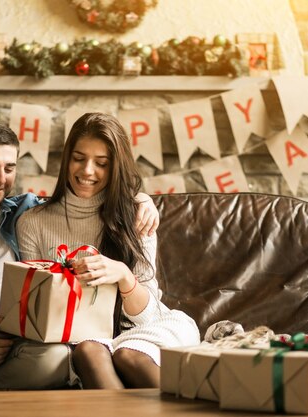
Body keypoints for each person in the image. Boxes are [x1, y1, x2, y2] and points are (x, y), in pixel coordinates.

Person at [0, 117, 159, 393]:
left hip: (22, 344)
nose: (1, 179)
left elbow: (83, 200)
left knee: (61, 356)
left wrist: (141, 200)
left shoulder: (26, 213)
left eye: (9, 168)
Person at [16, 112, 200, 389]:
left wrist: (123, 275)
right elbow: (34, 309)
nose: (88, 171)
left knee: (129, 356)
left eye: (101, 163)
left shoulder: (136, 215)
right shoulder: (33, 222)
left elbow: (147, 317)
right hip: (82, 338)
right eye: (79, 158)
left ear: (116, 167)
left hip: (144, 330)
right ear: (66, 160)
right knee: (88, 351)